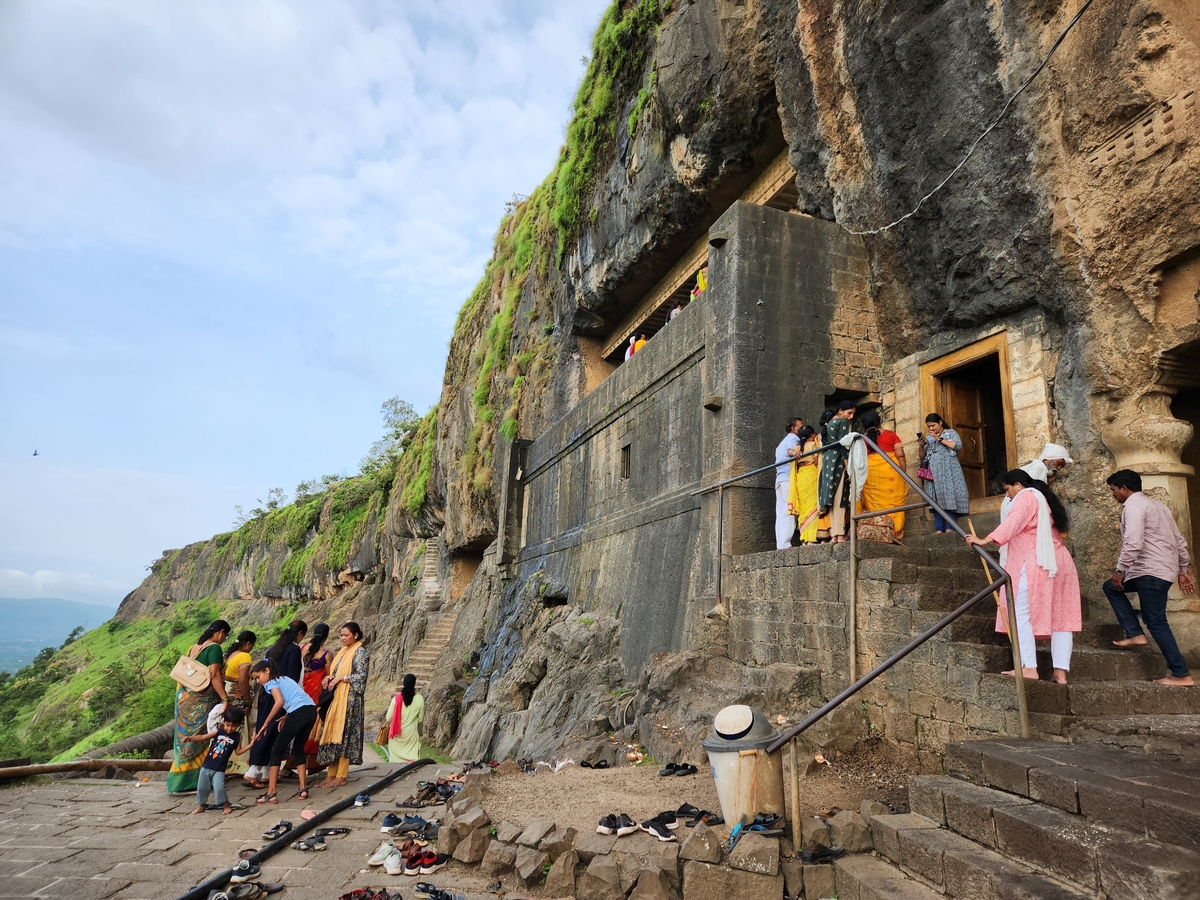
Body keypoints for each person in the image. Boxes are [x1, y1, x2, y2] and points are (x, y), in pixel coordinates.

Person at [966, 470, 1082, 683]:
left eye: (1007, 489)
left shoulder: (1027, 495)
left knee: (1021, 613)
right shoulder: (1045, 502)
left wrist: (986, 540)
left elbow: (1014, 522)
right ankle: (1060, 672)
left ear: (1018, 484)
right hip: (1059, 562)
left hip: (1036, 563)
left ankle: (1029, 667)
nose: (1007, 495)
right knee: (1062, 617)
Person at [1103, 469, 1195, 686]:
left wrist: (1120, 569)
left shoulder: (1133, 506)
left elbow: (1133, 542)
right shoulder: (1158, 506)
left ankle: (1181, 673)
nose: (1113, 494)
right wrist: (1183, 571)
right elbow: (1180, 541)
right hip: (1161, 571)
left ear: (1124, 489)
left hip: (1149, 571)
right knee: (1110, 588)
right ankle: (1135, 632)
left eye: (1114, 490)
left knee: (1156, 622)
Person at [168, 619, 230, 793]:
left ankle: (178, 781)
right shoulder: (214, 648)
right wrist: (225, 699)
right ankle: (192, 782)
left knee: (185, 739)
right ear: (221, 632)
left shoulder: (194, 647)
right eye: (226, 635)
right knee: (201, 738)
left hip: (185, 699)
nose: (225, 639)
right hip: (202, 702)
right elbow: (215, 675)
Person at [248, 658, 317, 804]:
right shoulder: (285, 679)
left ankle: (271, 793)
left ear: (267, 671)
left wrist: (265, 724)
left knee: (276, 750)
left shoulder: (271, 683)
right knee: (298, 749)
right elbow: (298, 699)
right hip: (311, 711)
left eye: (258, 677)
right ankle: (303, 789)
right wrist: (287, 715)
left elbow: (279, 701)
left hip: (299, 712)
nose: (258, 681)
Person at [245, 623, 304, 787]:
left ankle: (266, 772)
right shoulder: (294, 650)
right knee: (271, 731)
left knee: (267, 731)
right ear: (299, 634)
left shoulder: (272, 649)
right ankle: (253, 771)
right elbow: (293, 677)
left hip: (266, 694)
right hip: (280, 695)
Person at [316, 622, 370, 788]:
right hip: (337, 699)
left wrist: (341, 678)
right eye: (341, 635)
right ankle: (331, 774)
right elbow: (335, 673)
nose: (343, 638)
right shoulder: (342, 652)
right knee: (333, 735)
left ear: (355, 635)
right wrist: (330, 678)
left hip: (350, 701)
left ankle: (341, 775)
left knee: (344, 736)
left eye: (346, 635)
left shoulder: (360, 652)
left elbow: (361, 677)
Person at [185, 706, 251, 814]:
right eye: (227, 725)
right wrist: (191, 738)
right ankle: (201, 806)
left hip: (219, 768)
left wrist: (251, 744)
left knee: (219, 788)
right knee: (202, 787)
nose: (229, 728)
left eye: (233, 726)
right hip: (207, 765)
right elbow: (203, 737)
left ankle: (226, 805)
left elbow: (238, 751)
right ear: (224, 722)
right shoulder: (219, 732)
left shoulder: (237, 737)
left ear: (238, 725)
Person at [859, 410, 909, 540]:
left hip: (871, 476)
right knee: (896, 505)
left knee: (875, 505)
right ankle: (896, 534)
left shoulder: (862, 440)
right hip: (892, 473)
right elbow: (900, 455)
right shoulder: (891, 435)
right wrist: (904, 474)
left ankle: (880, 533)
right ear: (879, 421)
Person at [920, 413, 971, 533]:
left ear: (940, 422)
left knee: (950, 496)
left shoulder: (950, 433)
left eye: (933, 425)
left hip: (949, 470)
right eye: (929, 426)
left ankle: (950, 527)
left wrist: (939, 439)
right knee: (936, 499)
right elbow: (922, 456)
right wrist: (921, 446)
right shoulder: (929, 437)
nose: (931, 428)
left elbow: (957, 445)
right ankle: (939, 528)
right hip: (933, 472)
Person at [819, 402, 856, 543]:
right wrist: (848, 467)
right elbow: (843, 445)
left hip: (828, 462)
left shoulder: (829, 423)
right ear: (840, 411)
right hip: (838, 461)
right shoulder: (842, 422)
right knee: (840, 497)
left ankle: (834, 534)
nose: (851, 417)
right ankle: (840, 534)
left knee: (832, 498)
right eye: (849, 413)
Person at [788, 425, 823, 544]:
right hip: (811, 474)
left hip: (801, 476)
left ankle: (804, 539)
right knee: (813, 506)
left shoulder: (797, 448)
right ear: (811, 435)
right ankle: (811, 538)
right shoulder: (813, 445)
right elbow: (817, 461)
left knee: (804, 509)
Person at [775, 417, 805, 549]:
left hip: (779, 479)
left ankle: (781, 543)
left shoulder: (781, 443)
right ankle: (786, 543)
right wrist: (795, 453)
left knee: (780, 511)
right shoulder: (794, 439)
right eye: (800, 426)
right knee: (788, 510)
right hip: (787, 478)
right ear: (793, 428)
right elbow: (789, 451)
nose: (802, 429)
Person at [385, 674, 425, 764]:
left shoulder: (396, 699)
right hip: (411, 735)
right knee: (411, 757)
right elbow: (420, 719)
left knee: (395, 759)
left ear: (403, 683)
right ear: (414, 684)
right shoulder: (419, 699)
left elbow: (388, 718)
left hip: (396, 734)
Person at [301, 623, 333, 703]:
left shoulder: (301, 647)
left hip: (298, 686)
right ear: (326, 636)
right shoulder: (326, 654)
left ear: (313, 634)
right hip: (315, 691)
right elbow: (329, 676)